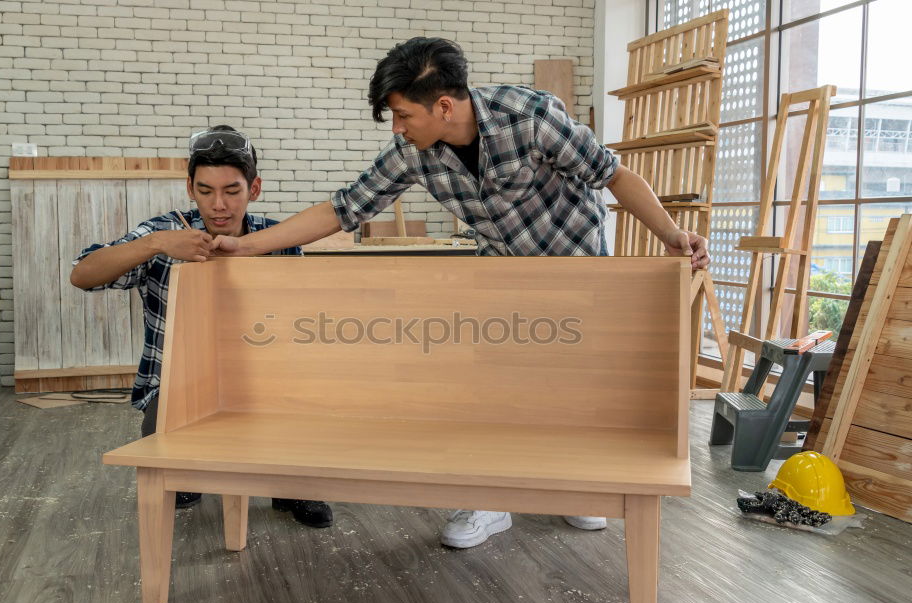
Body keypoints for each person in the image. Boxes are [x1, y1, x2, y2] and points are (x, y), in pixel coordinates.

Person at [208, 39, 711, 548]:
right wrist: (247, 246)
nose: (398, 128)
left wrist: (671, 234)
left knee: (573, 391)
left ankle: (576, 490)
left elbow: (614, 174)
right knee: (494, 390)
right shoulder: (412, 154)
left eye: (403, 115)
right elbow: (344, 209)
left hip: (575, 266)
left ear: (443, 106)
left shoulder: (531, 118)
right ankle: (489, 499)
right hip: (500, 277)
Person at [70, 125, 333, 528]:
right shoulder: (165, 233)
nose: (219, 205)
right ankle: (192, 466)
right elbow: (82, 275)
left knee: (308, 414)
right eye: (206, 190)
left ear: (254, 189)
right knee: (177, 475)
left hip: (264, 383)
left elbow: (301, 326)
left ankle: (294, 480)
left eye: (232, 191)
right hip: (179, 386)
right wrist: (155, 244)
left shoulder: (277, 239)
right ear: (190, 187)